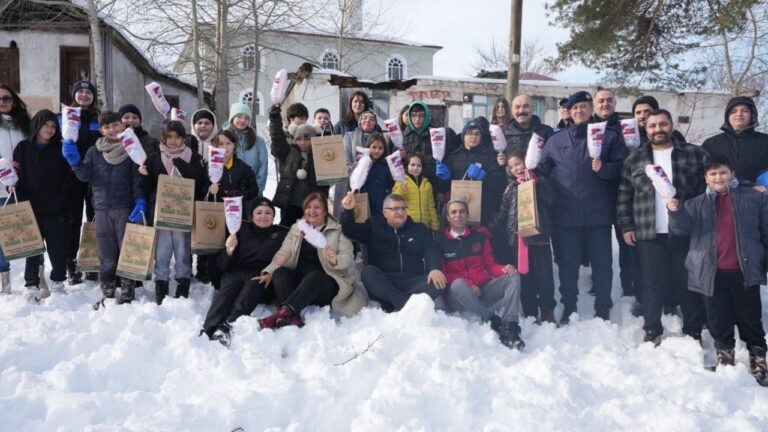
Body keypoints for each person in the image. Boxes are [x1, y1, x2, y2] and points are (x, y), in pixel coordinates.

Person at [667, 155, 768, 386]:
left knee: (750, 318)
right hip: (711, 273)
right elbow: (680, 230)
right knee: (718, 318)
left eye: (723, 172)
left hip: (744, 271)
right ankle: (725, 357)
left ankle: (759, 359)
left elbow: (766, 230)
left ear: (732, 174)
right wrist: (674, 211)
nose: (718, 177)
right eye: (713, 174)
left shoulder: (754, 198)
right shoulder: (696, 204)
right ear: (706, 178)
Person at [617, 109, 707, 345]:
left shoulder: (694, 154)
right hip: (649, 232)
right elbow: (624, 195)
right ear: (646, 129)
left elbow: (714, 183)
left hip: (686, 231)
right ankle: (652, 329)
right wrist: (627, 226)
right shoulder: (635, 159)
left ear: (671, 125)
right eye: (653, 125)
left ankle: (693, 330)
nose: (658, 129)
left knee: (687, 282)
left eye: (663, 124)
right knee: (652, 283)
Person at [535, 91, 626, 323]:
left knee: (602, 265)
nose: (579, 111)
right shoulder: (556, 141)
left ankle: (603, 307)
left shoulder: (608, 137)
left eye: (584, 106)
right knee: (568, 265)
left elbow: (621, 168)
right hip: (565, 215)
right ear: (569, 111)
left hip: (598, 215)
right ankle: (569, 306)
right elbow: (542, 171)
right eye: (575, 108)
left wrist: (604, 168)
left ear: (591, 109)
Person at [63, 111, 144, 303]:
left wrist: (140, 200)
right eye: (107, 127)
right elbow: (85, 176)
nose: (112, 130)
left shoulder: (132, 149)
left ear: (122, 126)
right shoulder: (94, 151)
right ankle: (108, 287)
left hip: (125, 207)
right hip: (101, 207)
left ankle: (127, 289)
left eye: (115, 125)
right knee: (106, 251)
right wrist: (74, 162)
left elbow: (136, 180)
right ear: (101, 130)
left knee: (127, 250)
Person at [258, 192, 367, 329]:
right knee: (280, 273)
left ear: (325, 211)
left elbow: (348, 257)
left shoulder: (337, 229)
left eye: (317, 207)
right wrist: (272, 269)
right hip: (300, 287)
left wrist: (335, 260)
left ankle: (280, 314)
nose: (312, 211)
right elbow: (284, 251)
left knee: (314, 276)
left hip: (324, 285)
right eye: (308, 207)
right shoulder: (297, 228)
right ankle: (292, 317)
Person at [201, 197, 287, 346]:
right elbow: (222, 265)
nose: (263, 216)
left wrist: (271, 273)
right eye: (259, 212)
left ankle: (227, 326)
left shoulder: (281, 235)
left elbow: (286, 259)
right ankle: (209, 328)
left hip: (261, 276)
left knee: (249, 292)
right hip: (237, 273)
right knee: (226, 293)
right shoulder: (240, 230)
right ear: (251, 216)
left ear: (274, 216)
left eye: (268, 213)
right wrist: (229, 249)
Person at [438, 199, 524, 349]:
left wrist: (504, 269)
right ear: (448, 217)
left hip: (482, 291)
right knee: (458, 283)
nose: (458, 215)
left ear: (467, 215)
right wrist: (469, 285)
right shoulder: (440, 241)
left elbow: (491, 266)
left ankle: (510, 325)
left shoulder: (479, 237)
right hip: (457, 297)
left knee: (513, 277)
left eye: (462, 211)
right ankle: (491, 318)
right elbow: (443, 275)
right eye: (453, 212)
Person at [340, 192, 446, 311]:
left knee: (438, 282)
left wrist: (435, 269)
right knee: (368, 272)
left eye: (403, 208)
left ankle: (395, 302)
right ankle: (407, 304)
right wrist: (348, 211)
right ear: (385, 212)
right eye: (395, 209)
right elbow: (349, 230)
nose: (400, 212)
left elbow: (431, 249)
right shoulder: (374, 226)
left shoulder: (419, 229)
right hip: (385, 281)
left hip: (413, 281)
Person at [139, 121, 206, 304]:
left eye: (177, 137)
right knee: (162, 251)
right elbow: (146, 187)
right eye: (169, 137)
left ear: (183, 138)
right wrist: (143, 175)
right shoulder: (154, 157)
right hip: (161, 212)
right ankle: (161, 283)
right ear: (163, 138)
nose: (173, 141)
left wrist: (182, 165)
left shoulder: (193, 156)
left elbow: (200, 181)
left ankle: (183, 282)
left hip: (183, 213)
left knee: (182, 250)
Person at [12, 109, 76, 301]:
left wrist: (61, 199)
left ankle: (58, 282)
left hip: (55, 208)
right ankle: (31, 284)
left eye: (53, 126)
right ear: (37, 125)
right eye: (45, 125)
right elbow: (16, 175)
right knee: (33, 248)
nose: (49, 129)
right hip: (30, 208)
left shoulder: (61, 149)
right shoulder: (23, 148)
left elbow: (69, 177)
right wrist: (12, 186)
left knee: (58, 247)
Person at [489, 152, 557, 324]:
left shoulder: (540, 181)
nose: (515, 168)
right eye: (511, 166)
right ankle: (530, 313)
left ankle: (548, 311)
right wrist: (488, 229)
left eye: (518, 164)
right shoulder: (511, 189)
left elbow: (550, 199)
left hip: (538, 239)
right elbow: (503, 214)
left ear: (526, 163)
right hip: (517, 242)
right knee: (525, 280)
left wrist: (536, 184)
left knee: (544, 278)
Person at [205, 130, 259, 290]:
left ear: (234, 145)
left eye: (228, 143)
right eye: (220, 144)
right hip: (215, 217)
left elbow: (254, 190)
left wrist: (240, 194)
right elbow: (200, 190)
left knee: (233, 249)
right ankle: (216, 284)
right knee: (214, 251)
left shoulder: (244, 168)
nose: (225, 147)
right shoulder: (208, 167)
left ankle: (233, 282)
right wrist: (209, 189)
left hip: (237, 217)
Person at [64, 80, 102, 286]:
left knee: (94, 218)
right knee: (73, 220)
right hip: (72, 175)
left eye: (89, 92)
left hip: (96, 176)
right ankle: (71, 263)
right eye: (80, 91)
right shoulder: (66, 116)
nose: (85, 95)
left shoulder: (99, 118)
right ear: (74, 94)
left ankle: (91, 260)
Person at [269, 104, 328, 227]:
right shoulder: (289, 153)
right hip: (291, 204)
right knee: (288, 232)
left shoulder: (319, 155)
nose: (303, 142)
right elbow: (277, 139)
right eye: (299, 139)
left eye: (307, 139)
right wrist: (275, 119)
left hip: (312, 205)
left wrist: (326, 132)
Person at [0, 84, 30, 294]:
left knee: (32, 230)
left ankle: (37, 276)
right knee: (2, 235)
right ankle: (4, 280)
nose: (2, 102)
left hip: (26, 186)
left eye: (6, 98)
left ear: (14, 101)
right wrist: (4, 166)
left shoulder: (25, 123)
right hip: (1, 188)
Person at [702, 96, 768, 190]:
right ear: (727, 116)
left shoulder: (765, 141)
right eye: (733, 111)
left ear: (752, 115)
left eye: (745, 111)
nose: (739, 114)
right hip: (722, 197)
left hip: (759, 195)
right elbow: (704, 174)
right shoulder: (711, 144)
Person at [447, 120, 506, 225]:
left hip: (483, 208)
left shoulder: (489, 155)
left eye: (477, 134)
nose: (473, 137)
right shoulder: (454, 156)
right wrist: (445, 178)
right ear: (463, 136)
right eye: (469, 133)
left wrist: (483, 176)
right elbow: (446, 186)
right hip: (458, 209)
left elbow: (498, 181)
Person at [185, 108, 218, 283]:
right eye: (199, 123)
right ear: (193, 125)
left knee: (206, 228)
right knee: (189, 231)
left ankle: (203, 267)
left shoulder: (218, 143)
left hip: (210, 192)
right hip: (189, 192)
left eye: (207, 123)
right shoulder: (187, 142)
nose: (203, 126)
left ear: (213, 125)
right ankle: (187, 266)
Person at [335, 109, 380, 217]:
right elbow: (345, 160)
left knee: (368, 218)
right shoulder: (349, 136)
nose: (368, 120)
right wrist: (356, 172)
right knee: (350, 216)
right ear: (360, 121)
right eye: (364, 118)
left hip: (372, 184)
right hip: (351, 183)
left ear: (375, 123)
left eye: (372, 119)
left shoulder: (380, 138)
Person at [225, 102, 268, 196]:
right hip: (229, 194)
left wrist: (257, 191)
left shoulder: (258, 141)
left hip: (252, 193)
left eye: (246, 118)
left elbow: (263, 168)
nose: (242, 120)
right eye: (239, 116)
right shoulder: (224, 139)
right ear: (232, 118)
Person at [391, 152, 440, 231]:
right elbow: (394, 201)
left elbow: (431, 207)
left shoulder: (427, 185)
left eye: (419, 165)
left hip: (425, 226)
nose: (415, 168)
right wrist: (401, 191)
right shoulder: (401, 182)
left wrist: (435, 226)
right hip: (408, 225)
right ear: (407, 166)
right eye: (412, 165)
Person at [360, 133, 394, 216]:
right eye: (374, 147)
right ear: (368, 147)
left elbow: (391, 185)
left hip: (381, 206)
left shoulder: (387, 165)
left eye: (380, 148)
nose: (376, 151)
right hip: (364, 205)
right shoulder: (362, 164)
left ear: (384, 149)